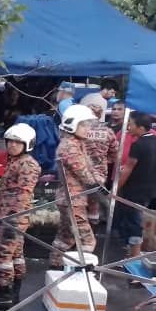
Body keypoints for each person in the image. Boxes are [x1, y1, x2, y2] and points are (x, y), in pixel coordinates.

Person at [0, 123, 41, 309]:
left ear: (27, 144)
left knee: (1, 255)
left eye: (17, 142)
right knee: (15, 255)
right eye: (10, 141)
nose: (12, 145)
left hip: (12, 218)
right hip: (9, 217)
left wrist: (12, 220)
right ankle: (13, 291)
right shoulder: (16, 161)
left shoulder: (27, 165)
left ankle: (4, 294)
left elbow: (23, 194)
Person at [50, 105, 103, 268]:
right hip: (72, 199)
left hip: (73, 198)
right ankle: (81, 271)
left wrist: (98, 179)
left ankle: (55, 266)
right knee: (87, 240)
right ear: (72, 125)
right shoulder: (69, 146)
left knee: (65, 237)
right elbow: (83, 172)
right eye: (84, 125)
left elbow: (89, 167)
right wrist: (98, 183)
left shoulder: (77, 143)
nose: (88, 129)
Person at [112, 112, 156, 260]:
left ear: (141, 127)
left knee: (133, 223)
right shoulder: (154, 141)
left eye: (131, 124)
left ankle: (135, 257)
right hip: (149, 190)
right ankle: (132, 254)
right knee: (136, 221)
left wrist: (116, 189)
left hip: (134, 191)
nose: (128, 127)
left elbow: (128, 169)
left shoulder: (138, 145)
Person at [80, 94, 118, 225]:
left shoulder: (80, 130)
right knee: (95, 199)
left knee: (79, 198)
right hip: (100, 170)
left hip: (81, 169)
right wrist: (106, 160)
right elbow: (115, 152)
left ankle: (83, 225)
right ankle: (94, 223)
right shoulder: (108, 131)